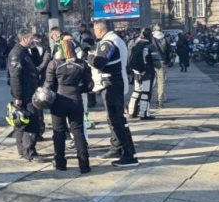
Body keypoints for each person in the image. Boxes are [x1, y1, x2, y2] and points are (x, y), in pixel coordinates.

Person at [91, 20, 138, 167]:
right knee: (114, 119)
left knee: (117, 120)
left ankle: (129, 154)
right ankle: (119, 148)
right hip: (114, 81)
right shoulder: (114, 40)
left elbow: (99, 63)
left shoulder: (109, 42)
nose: (94, 33)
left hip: (112, 83)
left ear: (99, 30)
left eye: (94, 30)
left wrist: (88, 57)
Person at [45, 39, 92, 173]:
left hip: (58, 100)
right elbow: (89, 85)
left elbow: (49, 85)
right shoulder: (82, 64)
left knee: (58, 132)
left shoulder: (54, 64)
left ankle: (60, 162)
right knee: (78, 131)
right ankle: (84, 165)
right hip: (76, 99)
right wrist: (78, 90)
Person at [9, 28, 42, 161]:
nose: (32, 40)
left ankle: (24, 150)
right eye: (30, 38)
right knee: (28, 123)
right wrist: (18, 96)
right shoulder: (17, 53)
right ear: (23, 39)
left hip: (30, 92)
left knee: (23, 123)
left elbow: (36, 64)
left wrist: (34, 49)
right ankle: (28, 152)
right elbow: (15, 77)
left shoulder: (25, 51)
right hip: (25, 94)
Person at [128, 27, 161, 120]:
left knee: (136, 91)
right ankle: (144, 113)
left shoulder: (136, 44)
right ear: (150, 35)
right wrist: (158, 67)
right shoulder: (150, 46)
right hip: (147, 73)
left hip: (136, 72)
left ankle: (131, 112)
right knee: (146, 93)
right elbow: (157, 62)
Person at [151, 25, 171, 108]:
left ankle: (150, 98)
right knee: (161, 82)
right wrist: (167, 61)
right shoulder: (165, 38)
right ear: (161, 30)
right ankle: (160, 101)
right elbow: (169, 51)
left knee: (151, 82)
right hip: (162, 62)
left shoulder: (151, 38)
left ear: (154, 30)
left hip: (151, 62)